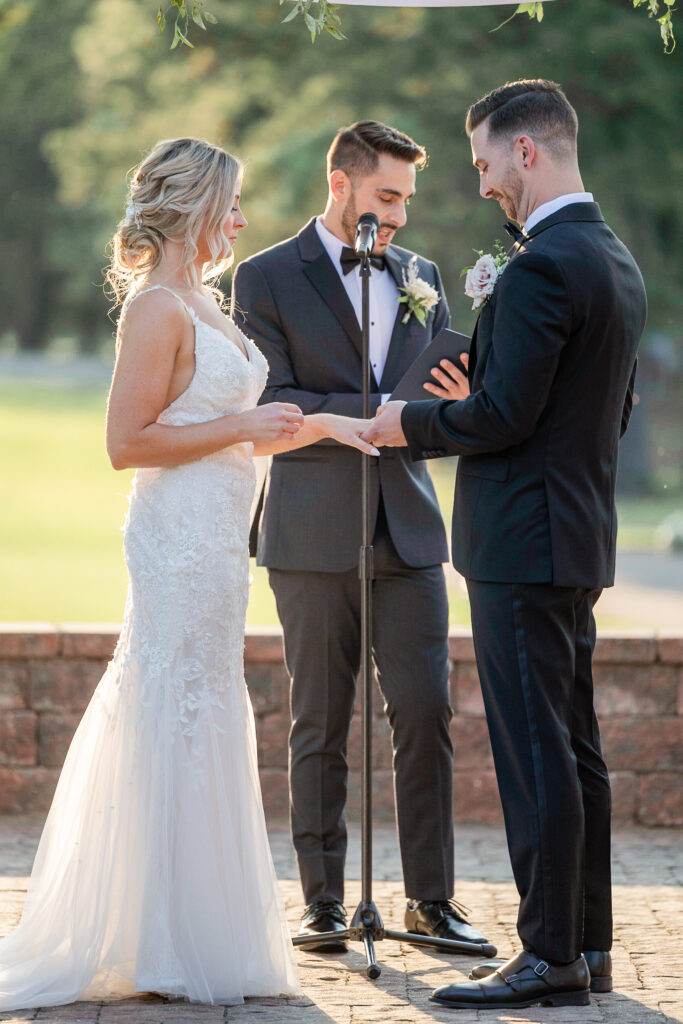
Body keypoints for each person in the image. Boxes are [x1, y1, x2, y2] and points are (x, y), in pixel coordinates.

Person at [0, 137, 379, 1010]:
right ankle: (153, 938)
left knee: (205, 703)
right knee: (168, 700)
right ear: (197, 208)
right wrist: (243, 426)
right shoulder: (156, 311)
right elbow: (126, 444)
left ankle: (201, 933)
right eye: (233, 206)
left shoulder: (204, 301)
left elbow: (239, 420)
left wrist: (323, 426)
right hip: (176, 536)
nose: (243, 221)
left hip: (218, 537)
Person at [364, 81, 646, 1010]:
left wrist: (414, 419)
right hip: (574, 534)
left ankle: (545, 955)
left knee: (534, 751)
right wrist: (480, 382)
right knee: (572, 746)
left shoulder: (537, 267)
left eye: (485, 163)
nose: (483, 183)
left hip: (520, 543)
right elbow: (597, 409)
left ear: (526, 151)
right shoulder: (610, 258)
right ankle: (589, 944)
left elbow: (504, 415)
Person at [232, 120, 490, 952]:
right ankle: (320, 902)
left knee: (426, 712)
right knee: (319, 717)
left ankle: (430, 901)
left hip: (409, 531)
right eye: (388, 196)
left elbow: (439, 422)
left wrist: (448, 406)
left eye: (407, 198)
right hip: (310, 528)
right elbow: (272, 401)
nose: (402, 216)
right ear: (340, 184)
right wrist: (374, 417)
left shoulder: (421, 276)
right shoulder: (266, 276)